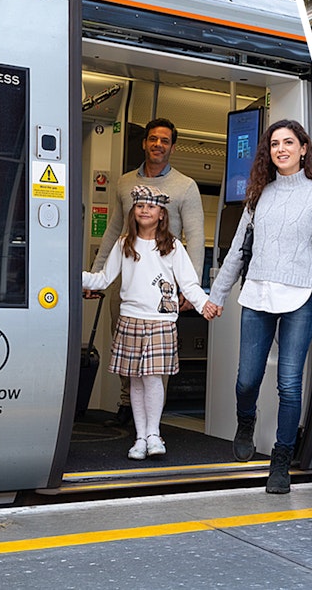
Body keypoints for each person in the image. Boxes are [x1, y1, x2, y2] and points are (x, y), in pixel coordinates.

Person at [203, 119, 312, 495]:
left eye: (288, 142)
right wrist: (216, 296)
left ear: (303, 149)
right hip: (257, 293)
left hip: (301, 296)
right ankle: (246, 421)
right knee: (247, 379)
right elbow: (238, 250)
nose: (280, 149)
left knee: (289, 384)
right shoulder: (259, 194)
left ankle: (281, 461)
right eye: (274, 144)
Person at [91, 118, 205, 428]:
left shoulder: (186, 187)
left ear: (172, 147)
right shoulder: (124, 183)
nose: (158, 145)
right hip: (127, 280)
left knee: (156, 355)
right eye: (153, 139)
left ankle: (152, 422)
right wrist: (97, 274)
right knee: (125, 343)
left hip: (162, 286)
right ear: (144, 143)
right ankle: (126, 403)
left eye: (164, 140)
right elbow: (114, 230)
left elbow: (195, 239)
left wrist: (190, 288)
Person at [82, 185, 208, 461]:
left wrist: (203, 305)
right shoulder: (123, 244)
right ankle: (141, 437)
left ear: (162, 214)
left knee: (152, 379)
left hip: (160, 321)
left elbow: (188, 283)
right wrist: (73, 274)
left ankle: (153, 433)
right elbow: (103, 279)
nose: (144, 210)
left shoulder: (172, 247)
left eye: (151, 206)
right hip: (130, 319)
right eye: (139, 205)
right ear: (133, 211)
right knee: (135, 381)